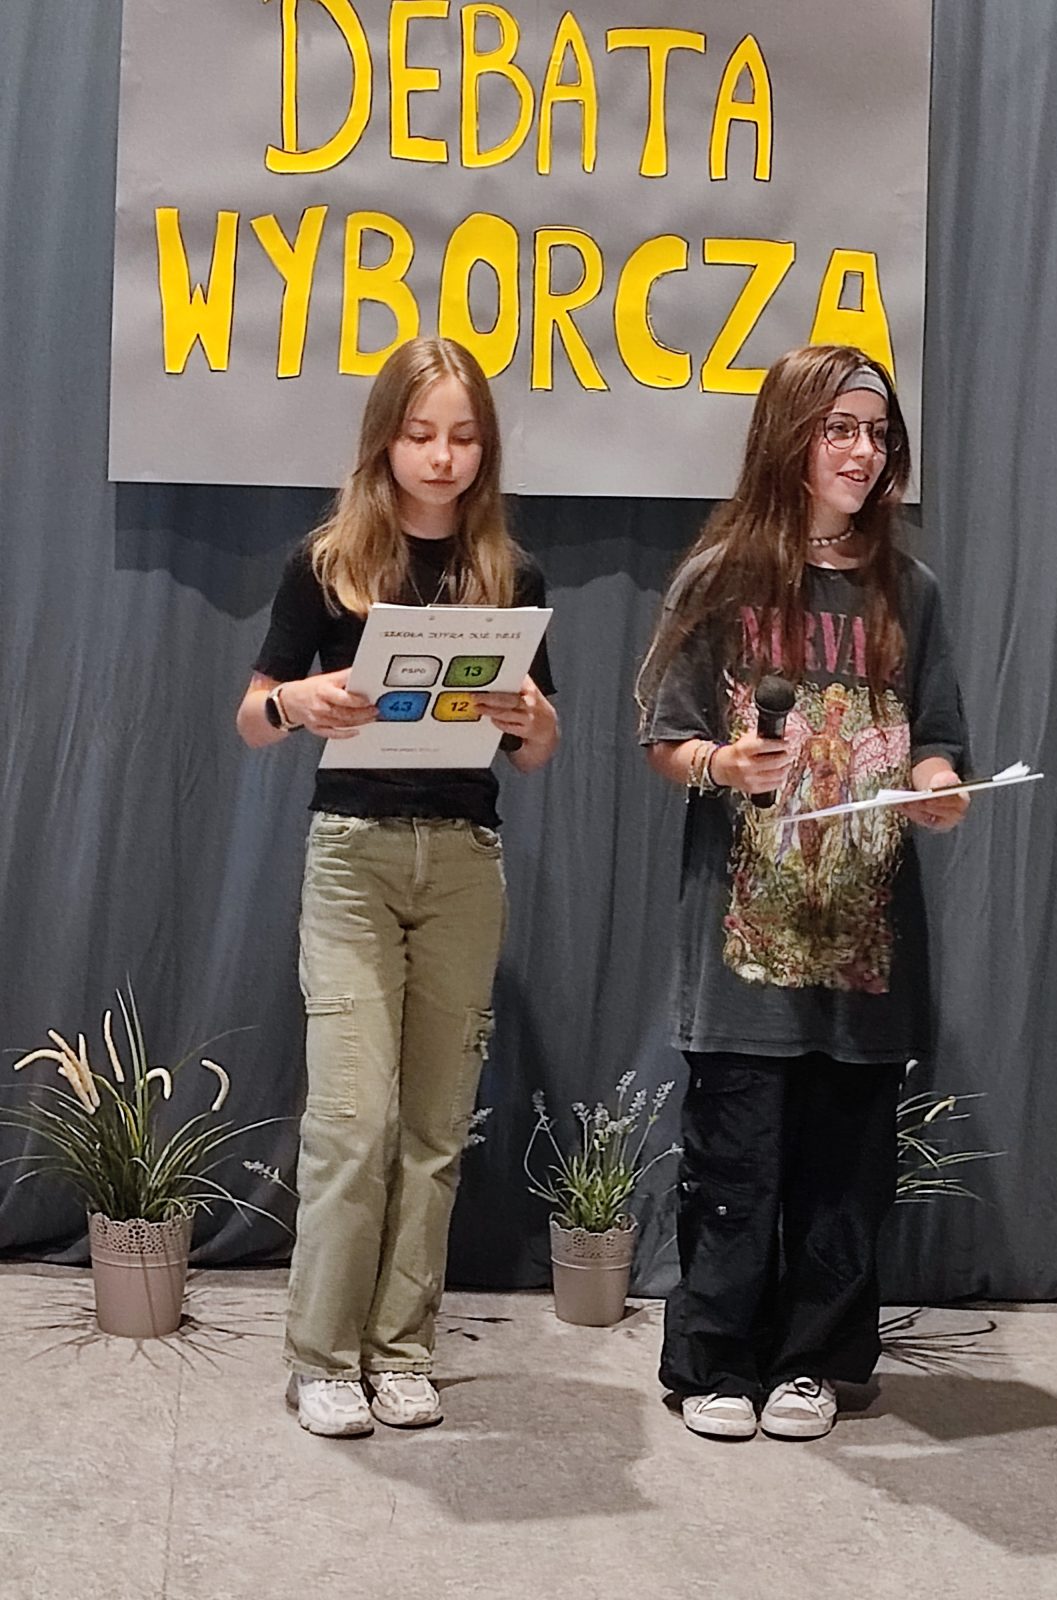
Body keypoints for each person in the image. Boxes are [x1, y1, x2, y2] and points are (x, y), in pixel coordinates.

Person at [636, 344, 970, 1441]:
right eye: (840, 430)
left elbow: (938, 739)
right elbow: (668, 739)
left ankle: (814, 1364)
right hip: (743, 948)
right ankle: (715, 1363)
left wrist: (938, 786)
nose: (864, 453)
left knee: (844, 1171)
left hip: (865, 945)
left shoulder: (909, 591)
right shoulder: (722, 579)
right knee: (736, 1163)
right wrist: (725, 764)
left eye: (878, 434)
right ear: (790, 440)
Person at [237, 337, 558, 1438]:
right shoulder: (329, 563)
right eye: (421, 433)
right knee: (350, 1117)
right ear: (384, 439)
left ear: (485, 450)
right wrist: (301, 702)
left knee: (434, 1123)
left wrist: (531, 716)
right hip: (354, 855)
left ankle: (402, 1350)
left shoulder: (509, 577)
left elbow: (538, 748)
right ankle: (321, 1356)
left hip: (463, 859)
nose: (441, 455)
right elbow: (252, 716)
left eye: (463, 436)